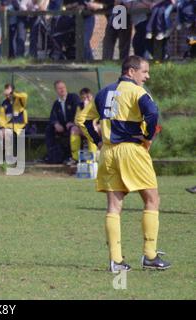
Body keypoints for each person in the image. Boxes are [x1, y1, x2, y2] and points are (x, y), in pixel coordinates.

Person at [76, 55, 171, 273]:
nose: (147, 76)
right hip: (131, 150)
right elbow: (153, 112)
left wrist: (98, 141)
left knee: (114, 206)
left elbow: (83, 120)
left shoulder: (103, 92)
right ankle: (149, 255)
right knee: (152, 199)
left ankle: (116, 261)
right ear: (131, 71)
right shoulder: (138, 92)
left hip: (108, 153)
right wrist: (147, 137)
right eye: (144, 71)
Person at [44, 80, 81, 164]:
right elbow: (53, 117)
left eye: (63, 87)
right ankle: (52, 155)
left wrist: (72, 122)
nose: (62, 90)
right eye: (60, 88)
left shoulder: (73, 98)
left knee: (73, 129)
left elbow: (79, 112)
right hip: (62, 127)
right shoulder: (56, 103)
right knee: (49, 129)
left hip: (74, 125)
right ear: (56, 90)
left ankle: (73, 157)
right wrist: (56, 124)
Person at [72, 87, 98, 161]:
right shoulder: (80, 106)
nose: (86, 99)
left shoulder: (96, 104)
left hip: (97, 126)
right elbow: (76, 120)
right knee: (74, 129)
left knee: (91, 130)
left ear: (91, 96)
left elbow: (95, 119)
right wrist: (84, 109)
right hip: (83, 127)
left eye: (88, 97)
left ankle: (92, 157)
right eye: (84, 98)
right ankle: (76, 157)